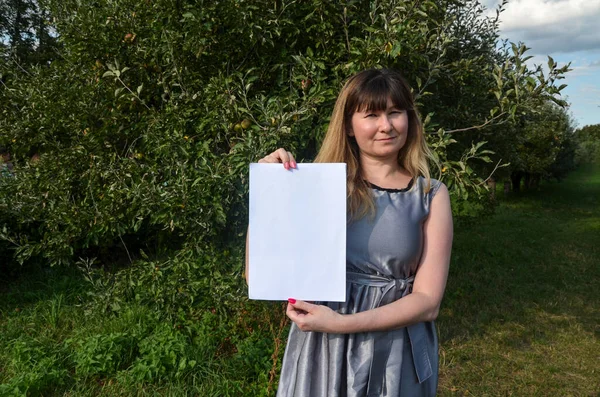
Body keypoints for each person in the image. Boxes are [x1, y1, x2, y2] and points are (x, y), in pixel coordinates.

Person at [246, 68, 453, 396]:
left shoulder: (430, 195)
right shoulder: (317, 188)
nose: (386, 125)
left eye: (395, 112)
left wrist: (341, 324)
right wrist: (270, 193)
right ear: (349, 126)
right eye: (371, 114)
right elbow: (259, 273)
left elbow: (428, 302)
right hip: (323, 348)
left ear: (409, 120)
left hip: (395, 351)